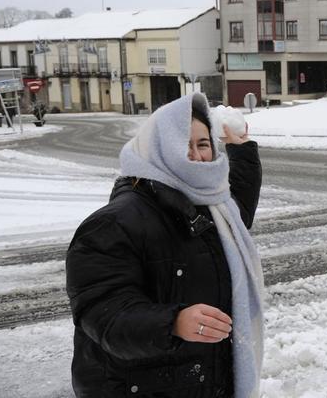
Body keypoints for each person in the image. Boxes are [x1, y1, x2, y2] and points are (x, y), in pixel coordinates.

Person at [65, 93, 263, 397]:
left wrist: (242, 149)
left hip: (202, 381)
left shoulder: (214, 209)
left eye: (203, 144)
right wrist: (173, 322)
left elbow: (240, 211)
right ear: (159, 149)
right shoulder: (114, 223)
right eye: (184, 145)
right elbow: (102, 314)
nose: (196, 157)